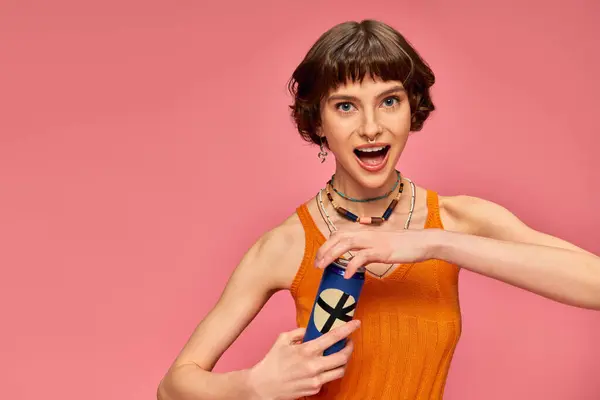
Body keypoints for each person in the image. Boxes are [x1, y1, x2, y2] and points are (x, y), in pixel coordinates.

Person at [157, 19, 600, 400]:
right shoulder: (287, 243)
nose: (371, 127)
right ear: (317, 122)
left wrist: (432, 243)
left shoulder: (456, 220)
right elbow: (173, 386)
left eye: (389, 101)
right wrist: (252, 386)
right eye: (345, 107)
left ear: (412, 110)